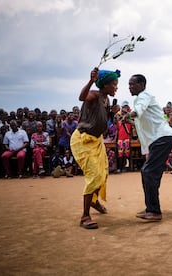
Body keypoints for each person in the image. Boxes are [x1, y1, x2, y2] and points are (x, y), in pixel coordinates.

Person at [70, 67, 119, 229]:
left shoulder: (106, 100)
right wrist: (91, 80)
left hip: (97, 141)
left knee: (103, 172)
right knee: (94, 175)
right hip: (83, 140)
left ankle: (94, 201)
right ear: (105, 85)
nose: (116, 87)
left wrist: (111, 114)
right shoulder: (95, 95)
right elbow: (81, 97)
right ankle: (85, 217)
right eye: (114, 84)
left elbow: (102, 123)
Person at [128, 74, 172, 221]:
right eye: (129, 84)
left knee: (148, 171)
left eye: (132, 84)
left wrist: (131, 115)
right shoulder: (139, 99)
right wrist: (129, 119)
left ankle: (154, 211)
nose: (129, 87)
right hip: (158, 139)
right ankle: (151, 208)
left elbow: (138, 111)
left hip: (162, 137)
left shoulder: (145, 95)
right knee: (149, 173)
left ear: (142, 84)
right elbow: (141, 121)